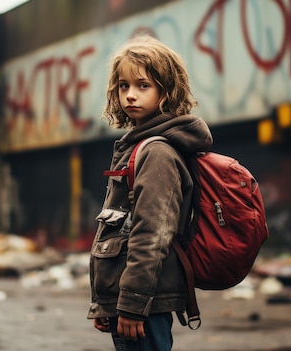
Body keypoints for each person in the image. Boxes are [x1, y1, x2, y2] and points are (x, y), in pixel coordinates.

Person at [87, 35, 213, 351]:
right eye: (123, 86)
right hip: (135, 300)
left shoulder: (156, 152)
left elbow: (151, 235)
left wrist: (130, 304)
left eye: (143, 85)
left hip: (144, 305)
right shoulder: (138, 145)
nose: (130, 95)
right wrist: (106, 302)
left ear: (167, 90)